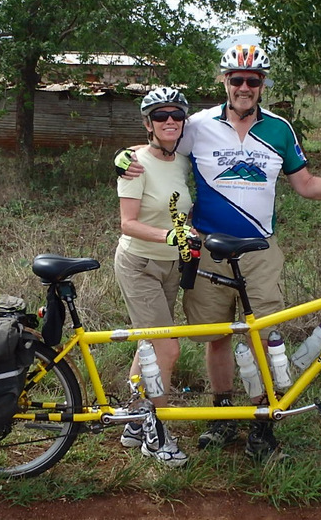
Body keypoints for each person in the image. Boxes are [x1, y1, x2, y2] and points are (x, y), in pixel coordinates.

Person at [119, 44, 321, 461]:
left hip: (260, 250)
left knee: (263, 338)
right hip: (208, 249)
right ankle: (222, 415)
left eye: (253, 80)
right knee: (215, 337)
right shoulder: (197, 125)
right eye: (236, 79)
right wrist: (122, 159)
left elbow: (305, 184)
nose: (244, 87)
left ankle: (261, 426)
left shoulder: (280, 129)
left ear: (262, 85)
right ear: (225, 82)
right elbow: (159, 148)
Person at [112, 86, 196, 467]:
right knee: (167, 348)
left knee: (148, 346)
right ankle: (157, 433)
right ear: (148, 123)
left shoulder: (180, 161)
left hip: (171, 265)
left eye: (176, 115)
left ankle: (133, 419)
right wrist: (169, 236)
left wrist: (185, 236)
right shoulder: (134, 163)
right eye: (160, 116)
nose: (169, 121)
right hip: (139, 264)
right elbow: (127, 223)